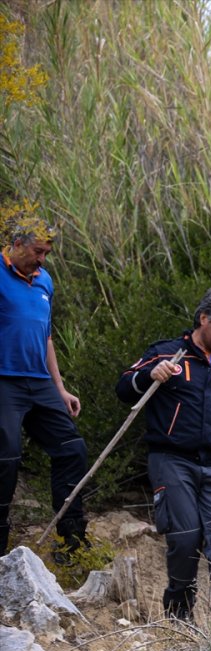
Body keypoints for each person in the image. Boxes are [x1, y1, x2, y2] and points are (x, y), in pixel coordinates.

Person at [116, 286, 211, 621]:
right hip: (171, 460)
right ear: (204, 318)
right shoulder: (167, 353)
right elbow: (123, 386)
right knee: (186, 539)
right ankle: (180, 620)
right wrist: (149, 374)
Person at [0, 217, 90, 559]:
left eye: (46, 253)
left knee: (72, 448)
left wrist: (60, 388)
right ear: (17, 244)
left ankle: (72, 540)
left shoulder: (44, 281)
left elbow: (47, 337)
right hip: (5, 381)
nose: (41, 260)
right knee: (6, 457)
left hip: (39, 383)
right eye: (37, 251)